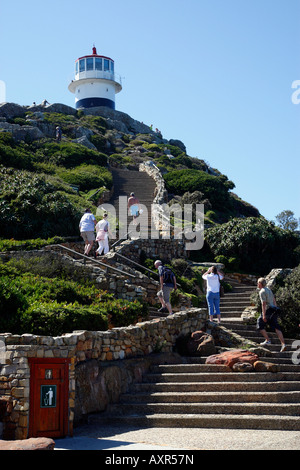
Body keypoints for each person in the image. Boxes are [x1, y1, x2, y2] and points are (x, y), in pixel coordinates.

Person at [256, 277, 286, 352]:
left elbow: (263, 304)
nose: (257, 284)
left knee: (259, 323)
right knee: (276, 327)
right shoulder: (269, 289)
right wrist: (275, 308)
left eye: (257, 283)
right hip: (274, 309)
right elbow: (274, 300)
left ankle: (268, 340)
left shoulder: (262, 291)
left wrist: (263, 315)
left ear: (260, 283)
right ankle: (283, 344)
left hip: (268, 310)